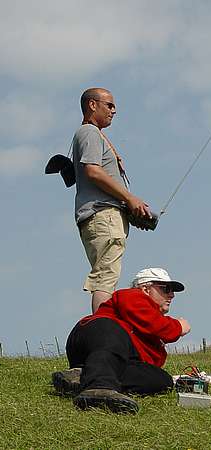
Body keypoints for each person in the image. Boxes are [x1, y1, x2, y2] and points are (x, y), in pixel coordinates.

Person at [52, 267, 191, 413]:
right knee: (114, 332)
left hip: (111, 354)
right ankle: (100, 387)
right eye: (166, 289)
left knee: (161, 380)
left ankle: (83, 377)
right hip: (97, 334)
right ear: (145, 288)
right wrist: (179, 327)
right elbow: (157, 325)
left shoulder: (150, 330)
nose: (172, 295)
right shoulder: (133, 296)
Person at [73, 87, 151, 313]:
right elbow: (93, 172)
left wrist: (127, 208)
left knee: (106, 274)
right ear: (92, 105)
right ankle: (103, 334)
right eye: (109, 105)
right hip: (103, 214)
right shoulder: (90, 133)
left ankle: (103, 329)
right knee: (105, 277)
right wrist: (129, 198)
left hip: (103, 214)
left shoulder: (91, 133)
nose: (114, 110)